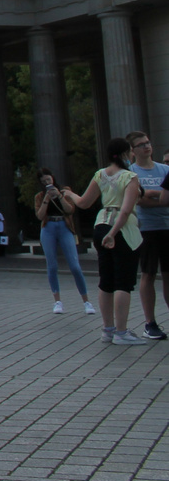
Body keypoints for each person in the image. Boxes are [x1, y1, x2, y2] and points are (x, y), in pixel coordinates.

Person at [67, 137, 147, 344]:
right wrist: (114, 232)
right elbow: (126, 209)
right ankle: (122, 332)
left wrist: (69, 194)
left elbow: (84, 202)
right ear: (124, 154)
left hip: (100, 224)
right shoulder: (130, 177)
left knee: (106, 280)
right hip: (122, 229)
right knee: (123, 281)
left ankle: (108, 329)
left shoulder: (100, 174)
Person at [126, 132, 169, 340]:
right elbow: (139, 200)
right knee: (149, 274)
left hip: (167, 226)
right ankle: (150, 323)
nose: (146, 147)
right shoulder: (131, 173)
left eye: (148, 143)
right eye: (141, 145)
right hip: (146, 229)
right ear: (132, 151)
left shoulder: (165, 169)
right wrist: (160, 196)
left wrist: (150, 194)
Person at [35, 168, 94, 315]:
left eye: (48, 179)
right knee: (52, 266)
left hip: (64, 226)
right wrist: (47, 199)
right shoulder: (40, 196)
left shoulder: (65, 191)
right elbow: (40, 216)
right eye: (43, 182)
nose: (47, 183)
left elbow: (70, 210)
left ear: (53, 178)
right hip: (48, 228)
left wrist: (59, 196)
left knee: (75, 266)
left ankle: (86, 301)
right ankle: (57, 301)